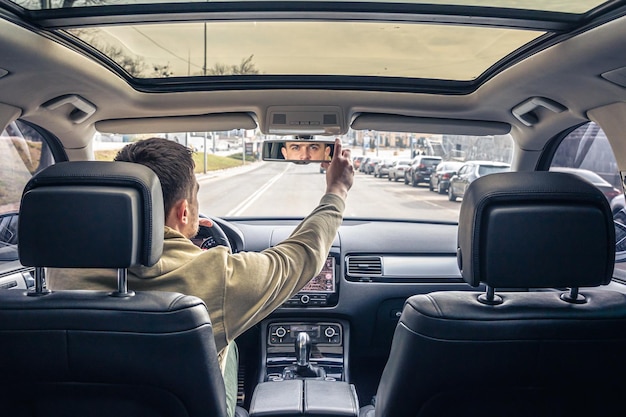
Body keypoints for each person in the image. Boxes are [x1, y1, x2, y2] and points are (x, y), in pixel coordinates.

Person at [47, 136, 353, 417]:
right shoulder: (217, 277)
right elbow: (300, 257)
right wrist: (336, 190)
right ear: (183, 212)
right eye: (195, 197)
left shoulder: (57, 271)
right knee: (226, 341)